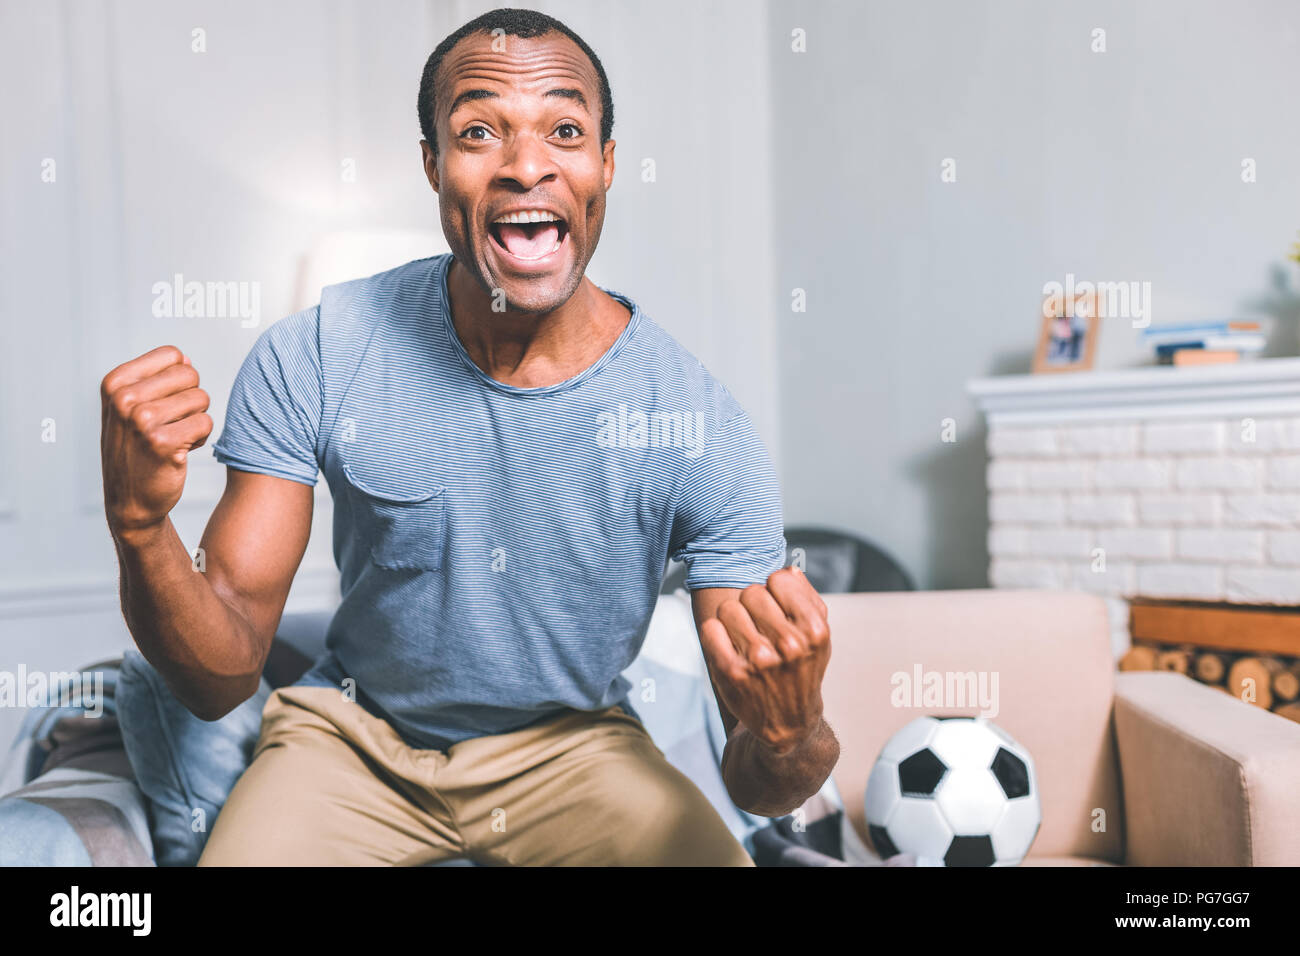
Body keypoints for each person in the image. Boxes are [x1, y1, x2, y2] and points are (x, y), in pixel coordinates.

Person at [98, 7, 837, 866]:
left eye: (565, 129)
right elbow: (217, 677)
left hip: (573, 749)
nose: (527, 165)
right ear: (434, 166)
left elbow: (759, 780)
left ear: (604, 165)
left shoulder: (696, 426)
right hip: (351, 742)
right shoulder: (320, 352)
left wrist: (793, 735)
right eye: (479, 131)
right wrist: (142, 530)